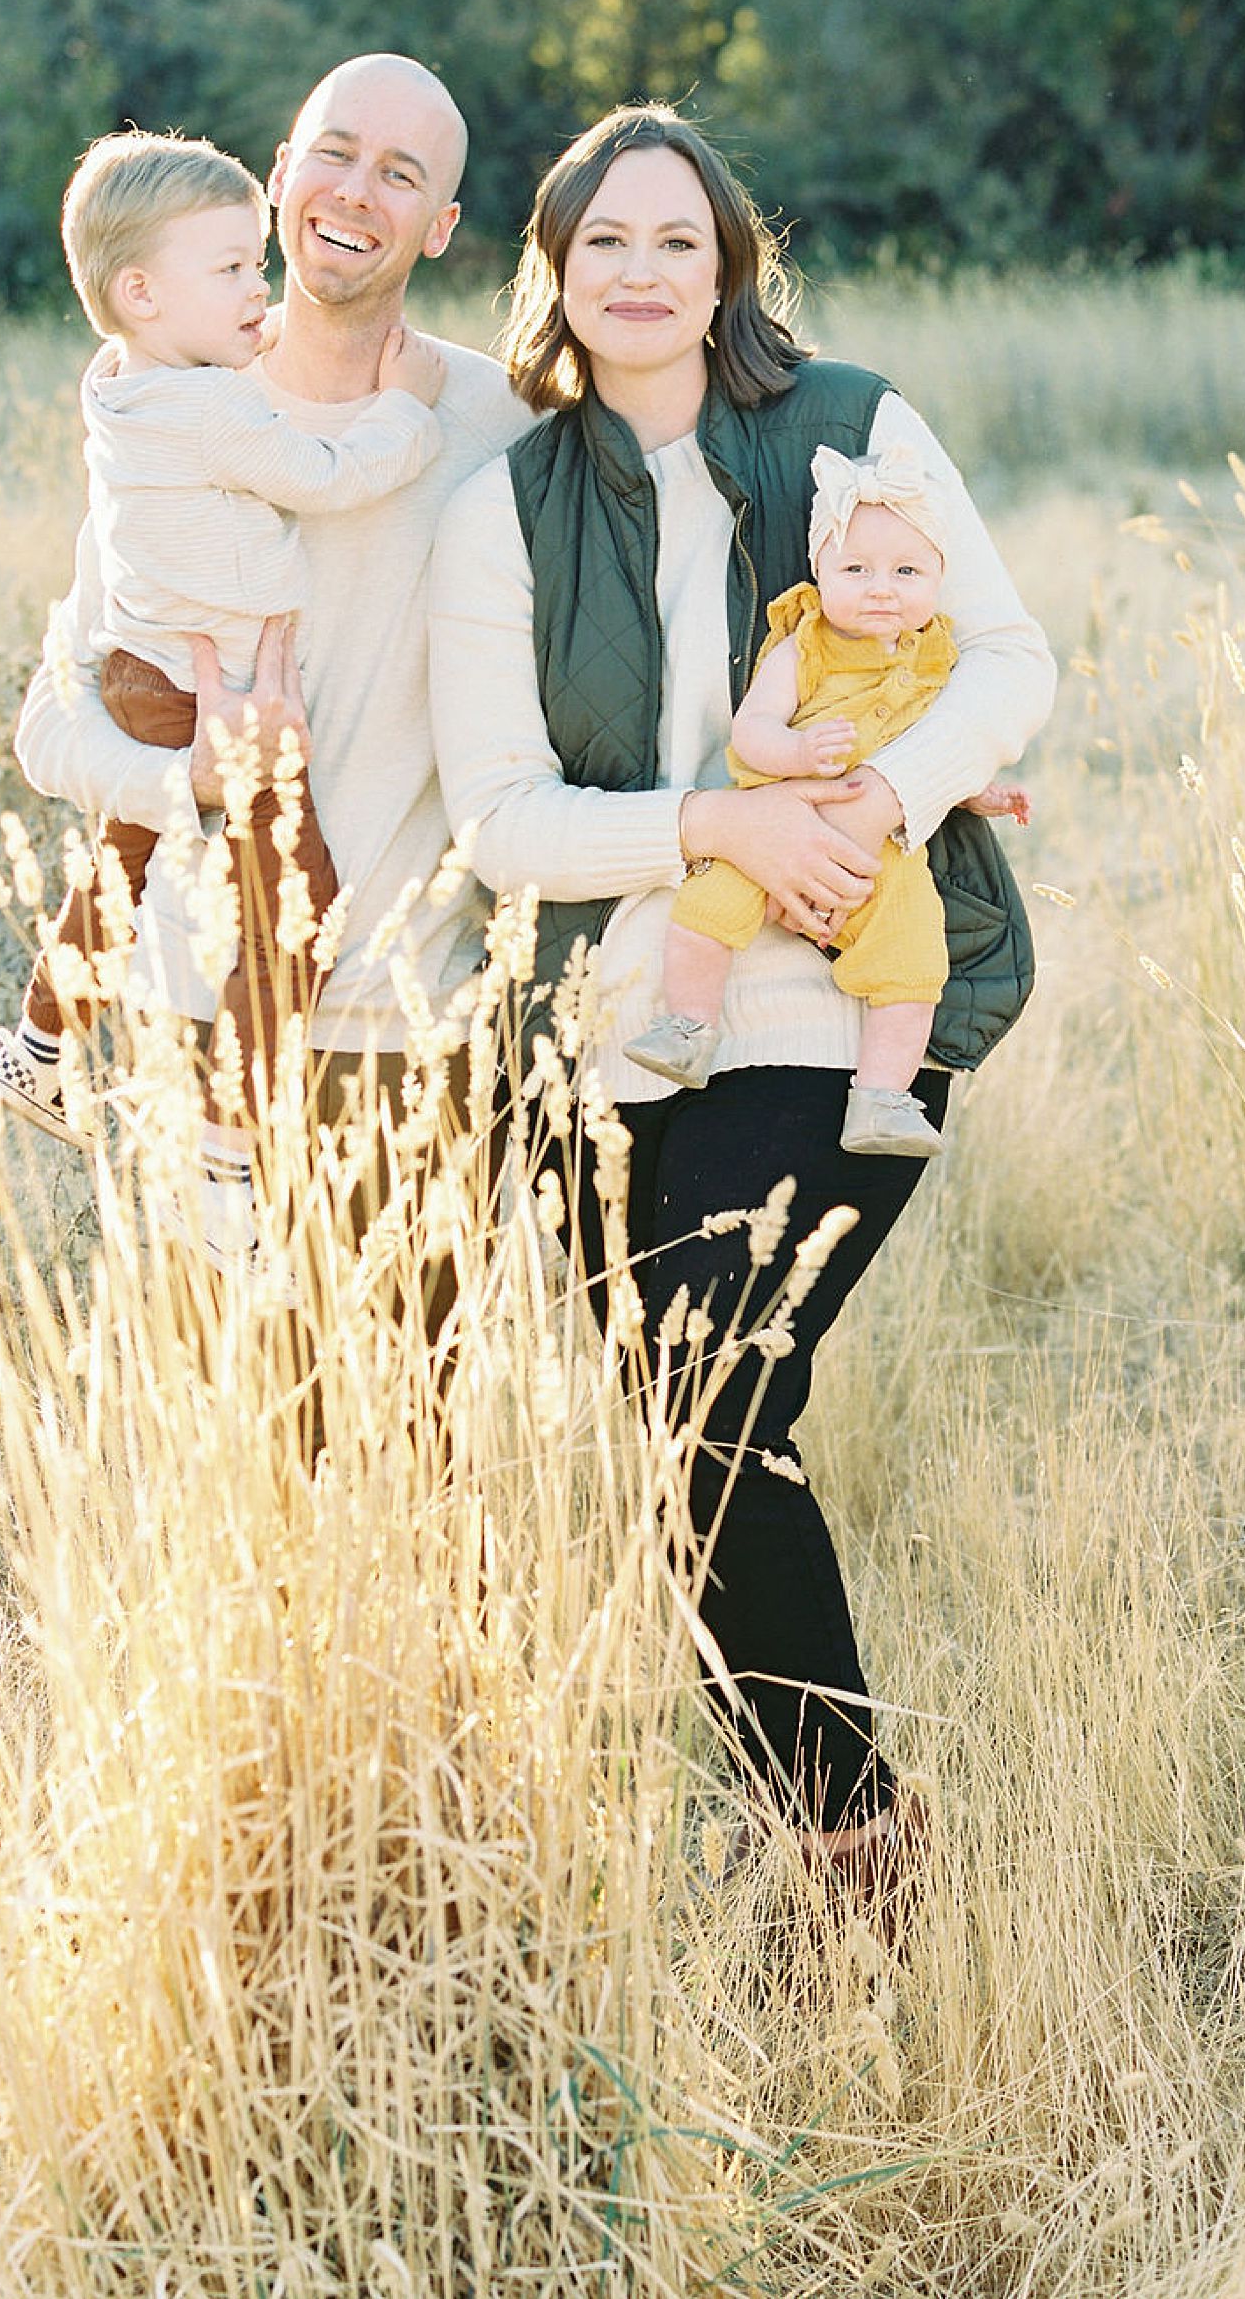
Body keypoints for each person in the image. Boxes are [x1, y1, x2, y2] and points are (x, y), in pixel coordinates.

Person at [429, 104, 1056, 1917]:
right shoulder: (511, 508)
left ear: (729, 266)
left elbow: (1007, 661)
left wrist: (859, 808)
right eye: (601, 243)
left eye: (676, 242)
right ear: (553, 267)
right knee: (673, 1429)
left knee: (709, 1393)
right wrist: (717, 821)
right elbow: (500, 818)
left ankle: (857, 1854)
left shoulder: (853, 427)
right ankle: (826, 1826)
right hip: (616, 1010)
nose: (639, 274)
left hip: (854, 991)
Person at [12, 58, 532, 1281]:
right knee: (203, 1459)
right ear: (281, 174)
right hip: (182, 1031)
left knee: (412, 1452)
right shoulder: (174, 400)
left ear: (442, 227)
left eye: (401, 175)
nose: (357, 190)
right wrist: (191, 776)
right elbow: (54, 719)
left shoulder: (502, 426)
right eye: (335, 153)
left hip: (407, 1038)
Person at [623, 441, 1031, 1160]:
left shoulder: (936, 660)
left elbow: (940, 749)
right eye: (856, 570)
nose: (882, 588)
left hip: (885, 856)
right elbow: (752, 731)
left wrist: (980, 793)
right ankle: (688, 1026)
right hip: (775, 819)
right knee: (706, 912)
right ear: (820, 572)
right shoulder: (805, 644)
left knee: (915, 963)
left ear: (940, 578)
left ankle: (880, 1097)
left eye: (907, 571)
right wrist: (796, 753)